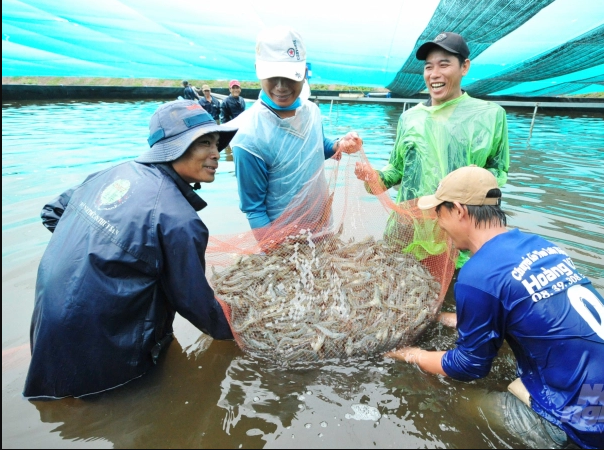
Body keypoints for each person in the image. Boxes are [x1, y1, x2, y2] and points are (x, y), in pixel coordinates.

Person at [387, 166, 604, 449]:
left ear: (458, 210)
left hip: (594, 426)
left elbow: (468, 366)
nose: (438, 222)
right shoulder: (541, 246)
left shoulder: (477, 274)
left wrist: (414, 355)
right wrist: (448, 318)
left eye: (439, 213)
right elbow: (527, 307)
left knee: (461, 402)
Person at [23, 100, 239, 399]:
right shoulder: (179, 220)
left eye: (217, 143)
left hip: (49, 318)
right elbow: (195, 303)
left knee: (56, 400)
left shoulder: (112, 173)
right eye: (204, 142)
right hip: (106, 342)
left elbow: (53, 212)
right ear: (172, 148)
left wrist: (94, 254)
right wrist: (242, 332)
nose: (216, 154)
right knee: (124, 407)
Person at [354, 32, 509, 268]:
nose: (434, 74)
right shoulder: (409, 118)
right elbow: (395, 171)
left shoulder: (491, 115)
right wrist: (372, 177)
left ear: (464, 67)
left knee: (456, 299)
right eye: (428, 67)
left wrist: (482, 179)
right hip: (408, 233)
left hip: (459, 237)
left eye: (444, 65)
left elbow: (499, 171)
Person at [230, 26, 362, 236]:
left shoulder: (311, 111)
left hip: (322, 225)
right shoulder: (249, 137)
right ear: (258, 70)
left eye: (290, 76)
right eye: (273, 76)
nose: (281, 87)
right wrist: (274, 252)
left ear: (304, 73)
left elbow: (315, 147)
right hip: (283, 238)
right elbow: (254, 209)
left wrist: (339, 145)